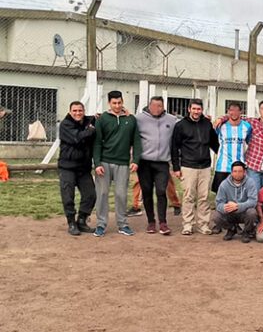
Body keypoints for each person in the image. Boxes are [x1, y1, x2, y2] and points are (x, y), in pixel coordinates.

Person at [93, 90, 142, 237]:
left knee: (121, 194)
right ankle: (101, 224)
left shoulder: (131, 119)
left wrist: (136, 160)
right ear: (109, 103)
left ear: (123, 102)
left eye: (119, 102)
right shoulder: (102, 119)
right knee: (102, 194)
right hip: (105, 161)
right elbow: (96, 143)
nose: (117, 105)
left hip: (123, 162)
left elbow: (137, 142)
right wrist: (97, 164)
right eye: (114, 103)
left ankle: (123, 224)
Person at [171, 99, 220, 236]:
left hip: (205, 166)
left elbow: (214, 143)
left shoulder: (207, 124)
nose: (196, 112)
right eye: (194, 109)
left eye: (199, 109)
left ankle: (203, 225)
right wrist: (176, 167)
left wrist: (222, 155)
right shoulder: (180, 125)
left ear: (202, 110)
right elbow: (174, 147)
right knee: (188, 196)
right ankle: (188, 224)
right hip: (188, 166)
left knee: (204, 197)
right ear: (189, 109)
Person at [136, 96, 178, 235]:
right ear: (149, 106)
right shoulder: (139, 119)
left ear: (163, 106)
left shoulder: (171, 120)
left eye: (159, 106)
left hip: (162, 163)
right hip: (145, 162)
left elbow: (185, 124)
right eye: (154, 106)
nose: (156, 109)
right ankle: (151, 222)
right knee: (147, 192)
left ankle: (163, 222)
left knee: (161, 191)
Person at [57, 101, 97, 236]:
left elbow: (100, 118)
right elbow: (77, 138)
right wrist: (90, 130)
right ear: (70, 112)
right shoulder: (65, 124)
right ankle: (71, 223)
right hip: (67, 167)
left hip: (83, 168)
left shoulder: (88, 121)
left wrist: (122, 113)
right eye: (74, 111)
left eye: (80, 110)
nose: (77, 113)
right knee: (68, 196)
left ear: (83, 111)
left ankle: (81, 220)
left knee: (91, 194)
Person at [213, 161, 259, 241]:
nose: (237, 174)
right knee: (216, 216)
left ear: (244, 172)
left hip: (244, 212)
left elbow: (253, 201)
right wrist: (225, 207)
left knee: (252, 212)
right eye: (235, 171)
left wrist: (237, 206)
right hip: (230, 212)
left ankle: (247, 232)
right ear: (231, 172)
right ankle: (232, 229)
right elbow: (218, 203)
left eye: (240, 171)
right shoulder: (224, 184)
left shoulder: (250, 182)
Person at [212, 102, 252, 194]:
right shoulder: (221, 125)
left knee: (238, 192)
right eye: (231, 110)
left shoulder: (247, 126)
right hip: (223, 166)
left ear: (241, 112)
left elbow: (250, 142)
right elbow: (212, 139)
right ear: (228, 112)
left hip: (239, 165)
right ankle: (220, 208)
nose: (234, 113)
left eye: (236, 110)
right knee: (220, 192)